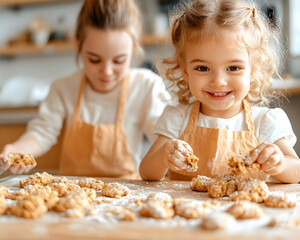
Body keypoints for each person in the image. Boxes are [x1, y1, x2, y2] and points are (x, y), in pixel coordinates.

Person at [0, 0, 170, 179]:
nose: (107, 71)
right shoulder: (63, 88)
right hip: (71, 193)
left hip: (126, 193)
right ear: (79, 45)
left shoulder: (145, 86)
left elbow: (163, 136)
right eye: (94, 60)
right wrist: (18, 150)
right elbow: (41, 133)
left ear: (133, 47)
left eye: (119, 60)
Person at [139, 0, 300, 183]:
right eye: (202, 68)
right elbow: (146, 172)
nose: (218, 81)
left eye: (233, 68)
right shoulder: (176, 119)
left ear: (253, 69)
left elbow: (296, 171)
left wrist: (280, 164)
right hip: (188, 211)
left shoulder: (264, 123)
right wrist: (163, 157)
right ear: (185, 70)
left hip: (244, 210)